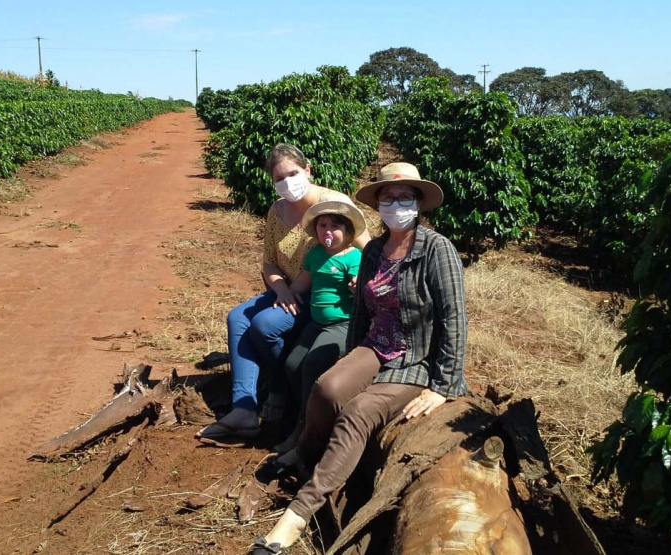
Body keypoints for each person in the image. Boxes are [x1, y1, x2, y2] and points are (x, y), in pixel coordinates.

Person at [252, 162, 468, 554]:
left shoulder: (437, 249)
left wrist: (443, 385)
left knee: (358, 413)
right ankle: (303, 448)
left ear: (419, 203)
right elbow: (362, 315)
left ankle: (297, 515)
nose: (396, 204)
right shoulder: (372, 251)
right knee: (327, 387)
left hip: (416, 358)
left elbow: (454, 318)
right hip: (375, 345)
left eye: (405, 198)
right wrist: (351, 361)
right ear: (379, 205)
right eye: (388, 198)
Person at [197, 144, 370, 442]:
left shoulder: (335, 204)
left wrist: (362, 283)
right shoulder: (277, 211)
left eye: (293, 173)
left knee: (264, 325)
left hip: (323, 296)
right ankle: (244, 409)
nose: (287, 182)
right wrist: (281, 290)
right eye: (279, 178)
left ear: (308, 170)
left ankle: (281, 391)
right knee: (238, 317)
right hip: (289, 290)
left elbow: (369, 249)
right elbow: (269, 263)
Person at [275, 198, 367, 454]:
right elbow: (303, 282)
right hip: (316, 324)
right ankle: (302, 412)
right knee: (293, 365)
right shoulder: (315, 254)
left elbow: (361, 288)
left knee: (313, 365)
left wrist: (355, 288)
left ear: (348, 232)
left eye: (335, 226)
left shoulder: (354, 257)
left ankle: (304, 432)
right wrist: (286, 294)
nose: (328, 231)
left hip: (342, 324)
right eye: (322, 225)